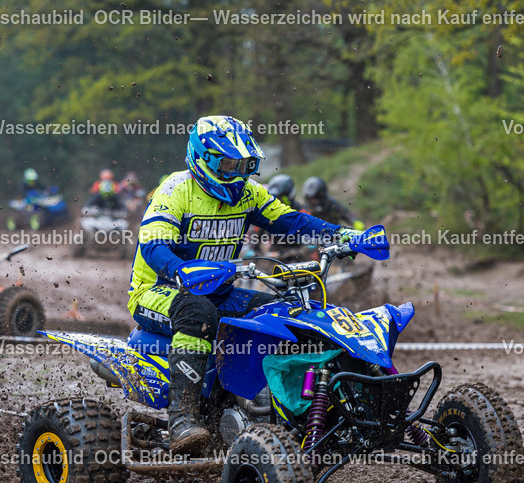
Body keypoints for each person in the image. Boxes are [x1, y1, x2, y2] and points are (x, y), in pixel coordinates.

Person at [129, 115, 358, 455]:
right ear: (203, 160)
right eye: (229, 164)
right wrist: (178, 269)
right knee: (199, 312)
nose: (237, 173)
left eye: (245, 164)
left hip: (220, 292)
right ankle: (181, 419)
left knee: (284, 315)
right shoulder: (176, 189)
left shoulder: (248, 193)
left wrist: (339, 234)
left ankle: (287, 415)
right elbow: (152, 245)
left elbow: (289, 221)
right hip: (161, 292)